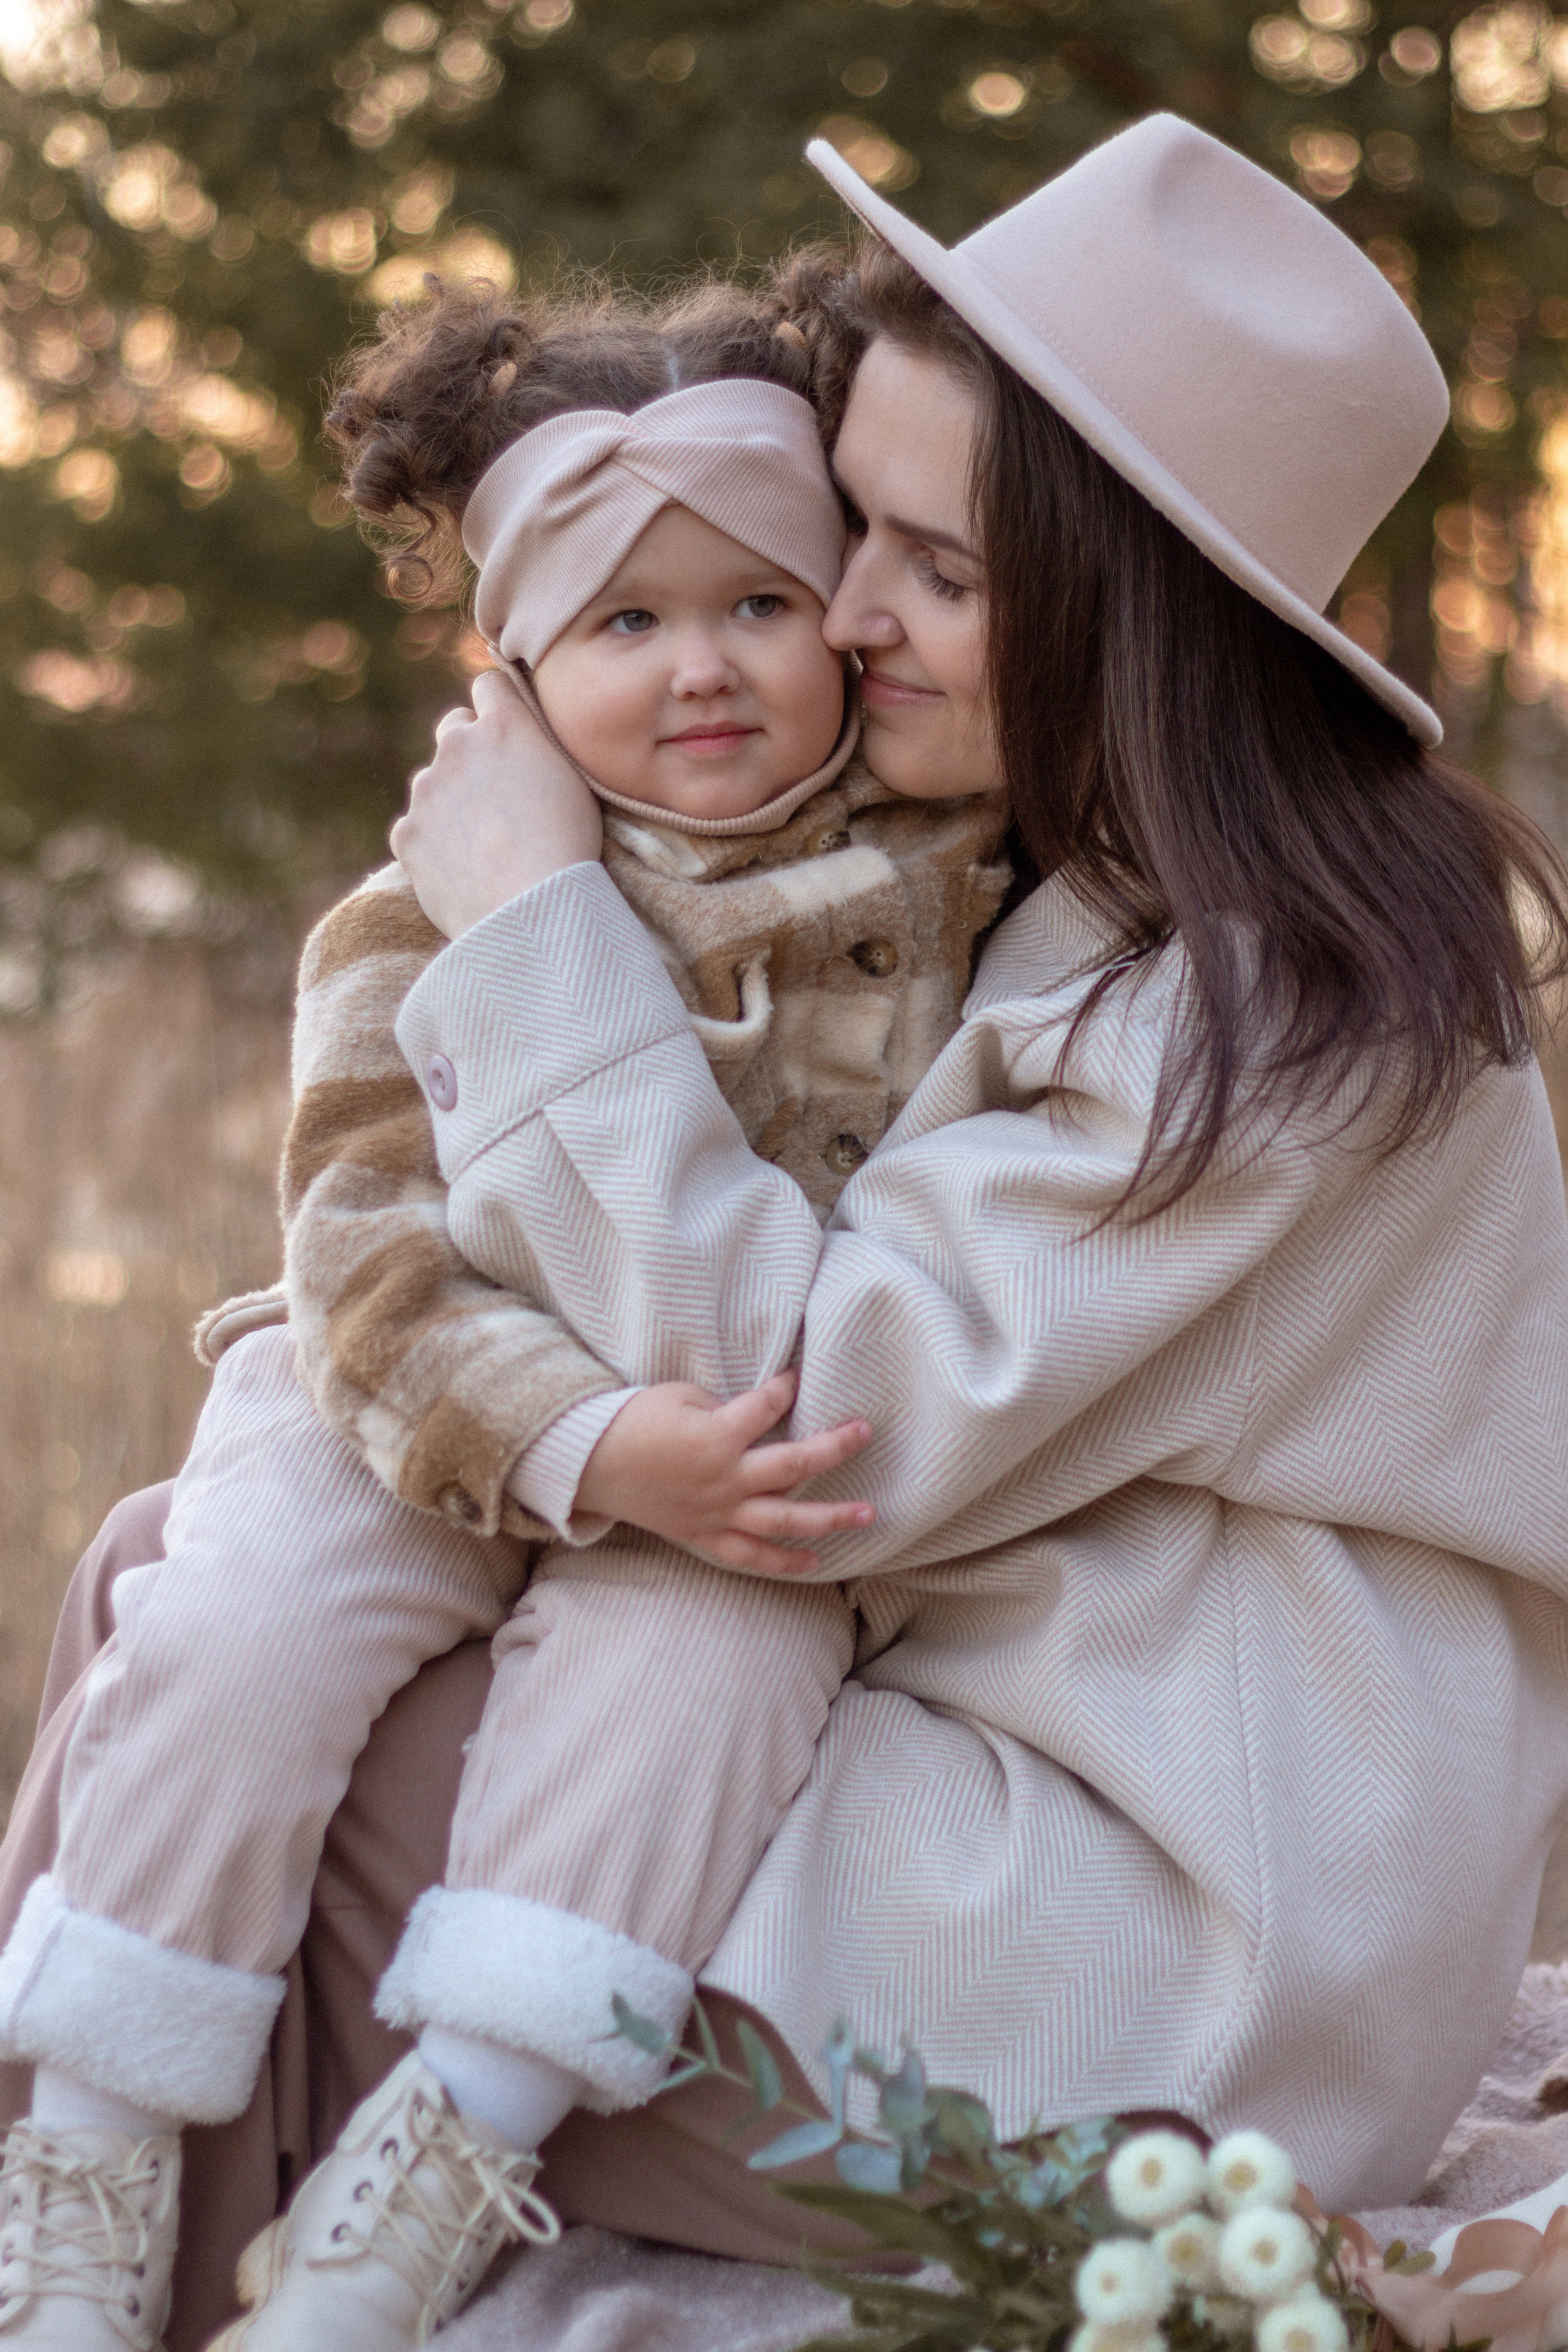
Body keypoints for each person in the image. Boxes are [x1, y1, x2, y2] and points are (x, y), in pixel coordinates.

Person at [6, 107, 1568, 2351]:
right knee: (215, 1564)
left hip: (1156, 1988)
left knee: (207, 1642)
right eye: (857, 536)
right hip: (1033, 1825)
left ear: (1128, 602)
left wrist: (541, 920)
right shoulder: (1117, 900)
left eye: (928, 566)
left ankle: (123, 2286)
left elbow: (809, 1431)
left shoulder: (1271, 1009)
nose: (838, 618)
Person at [0, 281, 1010, 2346]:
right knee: (229, 1624)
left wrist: (668, 1473)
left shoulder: (961, 899)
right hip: (415, 1399)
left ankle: (418, 2192)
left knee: (715, 1672)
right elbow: (363, 1250)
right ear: (517, 667)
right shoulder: (418, 908)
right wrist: (573, 1440)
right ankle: (89, 2155)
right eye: (625, 626)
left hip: (707, 1463)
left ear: (845, 610)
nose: (702, 666)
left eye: (757, 602)